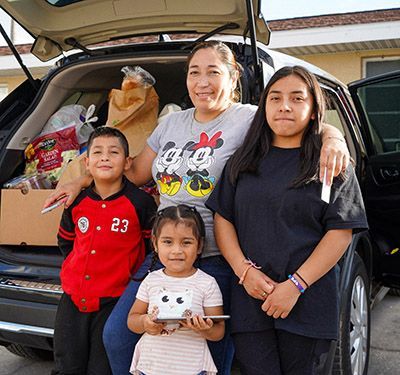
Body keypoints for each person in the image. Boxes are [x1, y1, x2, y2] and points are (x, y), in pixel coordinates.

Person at [44, 41, 351, 375]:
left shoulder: (248, 118)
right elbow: (131, 172)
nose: (202, 81)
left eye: (213, 72)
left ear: (233, 76)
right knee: (119, 337)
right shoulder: (171, 124)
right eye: (194, 72)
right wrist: (80, 180)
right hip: (161, 255)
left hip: (216, 258)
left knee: (208, 352)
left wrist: (334, 140)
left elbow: (300, 122)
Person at [205, 66, 368, 375]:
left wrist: (295, 285)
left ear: (313, 109)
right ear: (264, 106)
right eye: (275, 98)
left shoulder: (330, 161)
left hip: (308, 302)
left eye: (297, 98)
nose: (284, 106)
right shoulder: (243, 162)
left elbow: (340, 232)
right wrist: (244, 272)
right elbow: (223, 218)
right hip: (251, 298)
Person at [52, 126, 157, 375]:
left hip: (114, 300)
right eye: (97, 152)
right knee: (68, 364)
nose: (105, 157)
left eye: (114, 152)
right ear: (87, 163)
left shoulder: (140, 203)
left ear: (128, 162)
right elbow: (66, 242)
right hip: (73, 299)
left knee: (102, 367)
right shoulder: (76, 202)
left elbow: (148, 250)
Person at [128, 204, 225, 375]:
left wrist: (206, 329)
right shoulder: (151, 280)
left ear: (200, 245)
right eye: (167, 242)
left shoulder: (207, 283)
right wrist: (145, 323)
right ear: (155, 244)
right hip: (151, 366)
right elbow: (132, 320)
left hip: (192, 368)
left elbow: (218, 331)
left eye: (186, 242)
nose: (177, 250)